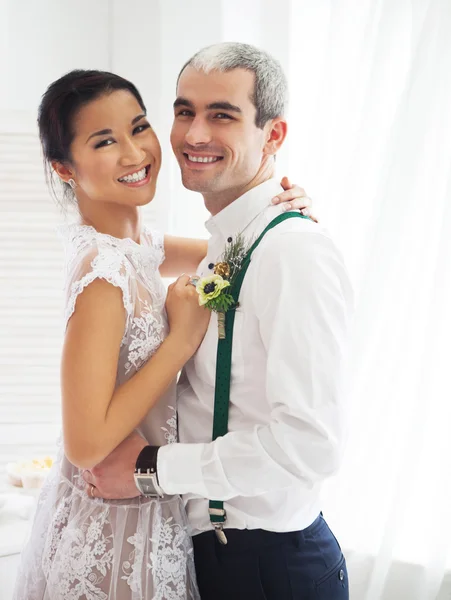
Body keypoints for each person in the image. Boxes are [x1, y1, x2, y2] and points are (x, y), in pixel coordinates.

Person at [13, 68, 310, 599]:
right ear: (64, 168)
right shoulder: (104, 275)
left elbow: (237, 251)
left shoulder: (140, 244)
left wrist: (280, 206)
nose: (135, 153)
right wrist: (180, 341)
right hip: (113, 528)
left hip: (151, 511)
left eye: (140, 127)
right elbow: (85, 443)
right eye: (105, 141)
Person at [84, 42, 354, 600]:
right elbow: (129, 247)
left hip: (270, 567)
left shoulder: (291, 250)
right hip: (216, 558)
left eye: (222, 115)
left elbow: (311, 446)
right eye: (185, 111)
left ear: (273, 136)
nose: (194, 134)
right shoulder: (229, 242)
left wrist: (150, 469)